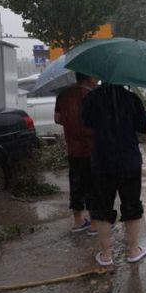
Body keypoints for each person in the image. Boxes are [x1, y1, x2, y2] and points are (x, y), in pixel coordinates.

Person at [82, 83, 146, 266]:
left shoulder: (91, 98)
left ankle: (106, 255)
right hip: (129, 161)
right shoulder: (132, 98)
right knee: (131, 204)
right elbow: (143, 127)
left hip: (102, 161)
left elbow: (87, 123)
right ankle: (134, 250)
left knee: (102, 208)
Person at [54, 72, 98, 233]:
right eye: (95, 77)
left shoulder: (63, 95)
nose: (97, 79)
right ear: (89, 77)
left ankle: (78, 221)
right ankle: (95, 223)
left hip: (73, 148)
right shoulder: (93, 96)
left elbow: (57, 119)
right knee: (94, 185)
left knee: (76, 183)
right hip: (93, 148)